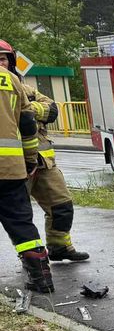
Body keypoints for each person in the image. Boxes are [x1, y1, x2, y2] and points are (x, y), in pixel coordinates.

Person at [0, 45, 90, 262]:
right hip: (14, 165)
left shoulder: (25, 88)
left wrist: (29, 109)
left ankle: (59, 246)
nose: (0, 64)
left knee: (62, 205)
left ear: (11, 62)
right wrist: (29, 110)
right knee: (21, 217)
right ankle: (31, 258)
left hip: (43, 161)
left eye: (3, 59)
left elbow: (52, 109)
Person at [0, 42, 53, 293]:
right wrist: (30, 160)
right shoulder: (11, 80)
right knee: (22, 223)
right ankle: (42, 278)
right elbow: (28, 124)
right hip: (11, 169)